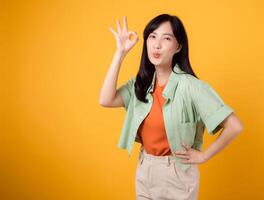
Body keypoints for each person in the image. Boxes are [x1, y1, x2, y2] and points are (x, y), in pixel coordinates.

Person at [100, 14, 243, 200]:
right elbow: (106, 99)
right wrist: (119, 54)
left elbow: (235, 125)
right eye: (152, 36)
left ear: (178, 46)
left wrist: (204, 156)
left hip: (177, 175)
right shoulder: (141, 85)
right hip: (145, 169)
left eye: (166, 38)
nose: (157, 44)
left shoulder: (192, 87)